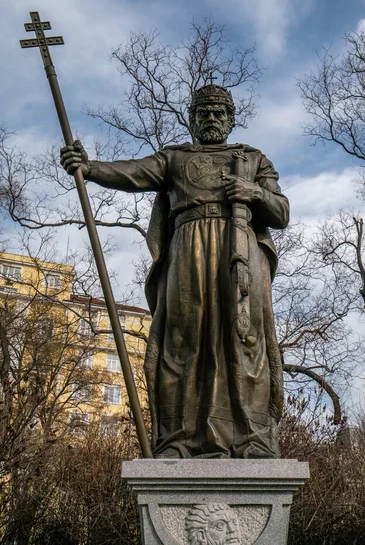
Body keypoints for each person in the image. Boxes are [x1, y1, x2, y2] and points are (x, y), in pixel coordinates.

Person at [60, 84, 289, 458]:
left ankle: (253, 439)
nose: (212, 119)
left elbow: (281, 213)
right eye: (204, 113)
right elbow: (133, 173)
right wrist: (90, 168)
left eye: (219, 113)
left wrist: (254, 192)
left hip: (240, 251)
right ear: (192, 118)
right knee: (182, 339)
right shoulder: (176, 158)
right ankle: (177, 440)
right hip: (188, 248)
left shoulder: (253, 159)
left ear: (231, 118)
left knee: (244, 337)